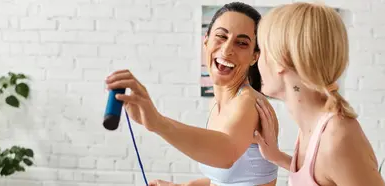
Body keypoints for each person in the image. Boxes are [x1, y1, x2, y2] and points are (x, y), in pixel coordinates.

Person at [104, 2, 279, 186]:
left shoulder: (249, 103)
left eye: (241, 43)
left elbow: (225, 155)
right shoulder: (217, 103)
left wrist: (157, 122)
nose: (227, 49)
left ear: (254, 56)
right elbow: (224, 180)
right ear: (206, 41)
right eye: (221, 36)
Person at [252, 2, 385, 186]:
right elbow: (322, 175)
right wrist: (277, 157)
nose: (257, 62)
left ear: (280, 61)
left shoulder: (337, 138)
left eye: (263, 51)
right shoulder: (313, 126)